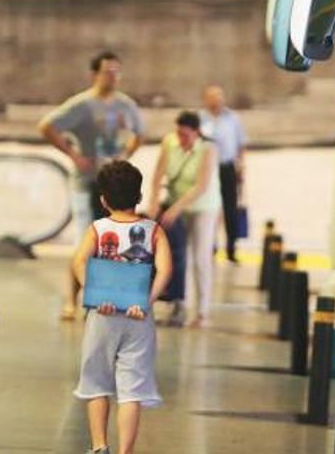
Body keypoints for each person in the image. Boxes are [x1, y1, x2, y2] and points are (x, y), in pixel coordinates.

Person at [72, 160, 172, 454]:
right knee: (132, 389)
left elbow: (78, 262)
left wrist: (92, 293)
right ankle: (125, 451)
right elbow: (165, 270)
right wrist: (146, 301)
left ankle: (99, 446)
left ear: (103, 199)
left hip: (102, 314)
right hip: (138, 317)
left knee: (97, 382)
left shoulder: (97, 229)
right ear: (139, 197)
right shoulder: (154, 231)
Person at [39, 51, 145, 320]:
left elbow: (140, 134)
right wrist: (74, 155)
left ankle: (100, 299)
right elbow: (47, 126)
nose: (113, 76)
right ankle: (72, 300)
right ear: (95, 74)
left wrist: (125, 156)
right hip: (86, 182)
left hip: (114, 184)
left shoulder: (126, 105)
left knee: (109, 244)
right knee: (84, 241)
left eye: (116, 71)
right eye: (107, 71)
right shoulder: (83, 104)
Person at [149, 111, 221, 328]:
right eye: (178, 133)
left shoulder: (208, 149)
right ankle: (178, 305)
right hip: (174, 203)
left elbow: (201, 186)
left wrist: (175, 209)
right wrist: (153, 201)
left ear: (196, 132)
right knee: (177, 258)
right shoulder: (169, 143)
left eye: (186, 135)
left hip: (202, 207)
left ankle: (202, 312)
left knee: (200, 257)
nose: (181, 139)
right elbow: (158, 173)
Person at [199, 85, 247, 263]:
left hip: (227, 167)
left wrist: (241, 167)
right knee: (209, 208)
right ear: (206, 99)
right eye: (212, 97)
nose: (216, 100)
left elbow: (241, 145)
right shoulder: (200, 119)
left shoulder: (233, 118)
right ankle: (209, 246)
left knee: (230, 209)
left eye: (219, 96)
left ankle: (231, 249)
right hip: (207, 170)